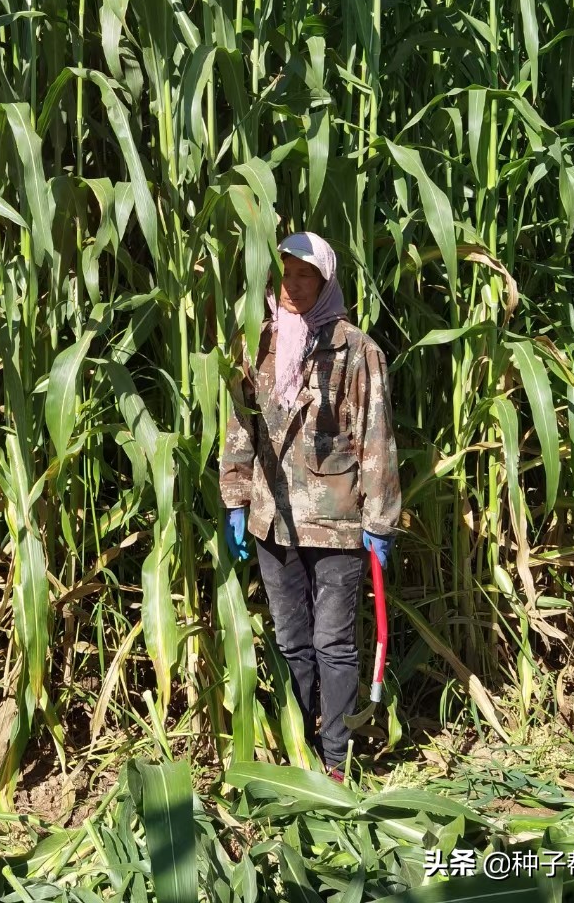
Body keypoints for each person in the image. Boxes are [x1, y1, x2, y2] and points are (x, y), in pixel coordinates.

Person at [219, 231, 401, 780]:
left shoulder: (356, 350)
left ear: (326, 281)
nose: (293, 288)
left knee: (333, 641)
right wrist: (236, 496)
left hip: (337, 518)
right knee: (291, 640)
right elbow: (239, 424)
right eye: (285, 276)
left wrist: (381, 521)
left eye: (306, 277)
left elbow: (377, 437)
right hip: (273, 518)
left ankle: (337, 758)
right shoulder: (260, 343)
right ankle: (300, 747)